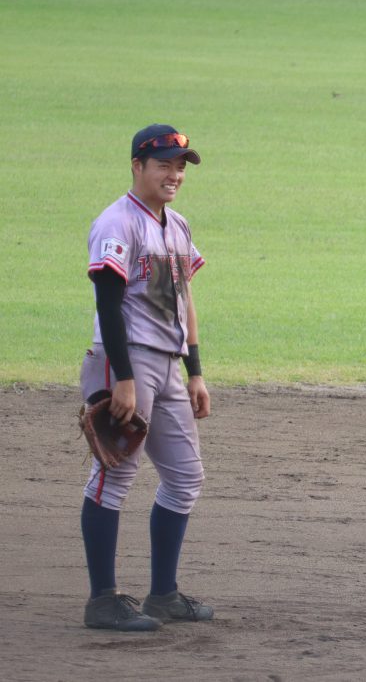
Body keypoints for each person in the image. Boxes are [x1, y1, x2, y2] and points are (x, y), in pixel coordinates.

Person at [79, 124, 214, 629]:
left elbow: (184, 298)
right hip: (126, 360)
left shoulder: (177, 224)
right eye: (163, 165)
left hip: (169, 365)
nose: (174, 174)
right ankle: (102, 600)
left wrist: (195, 371)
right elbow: (108, 305)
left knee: (185, 477)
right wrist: (123, 378)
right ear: (137, 166)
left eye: (180, 166)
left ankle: (163, 595)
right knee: (114, 475)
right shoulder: (117, 223)